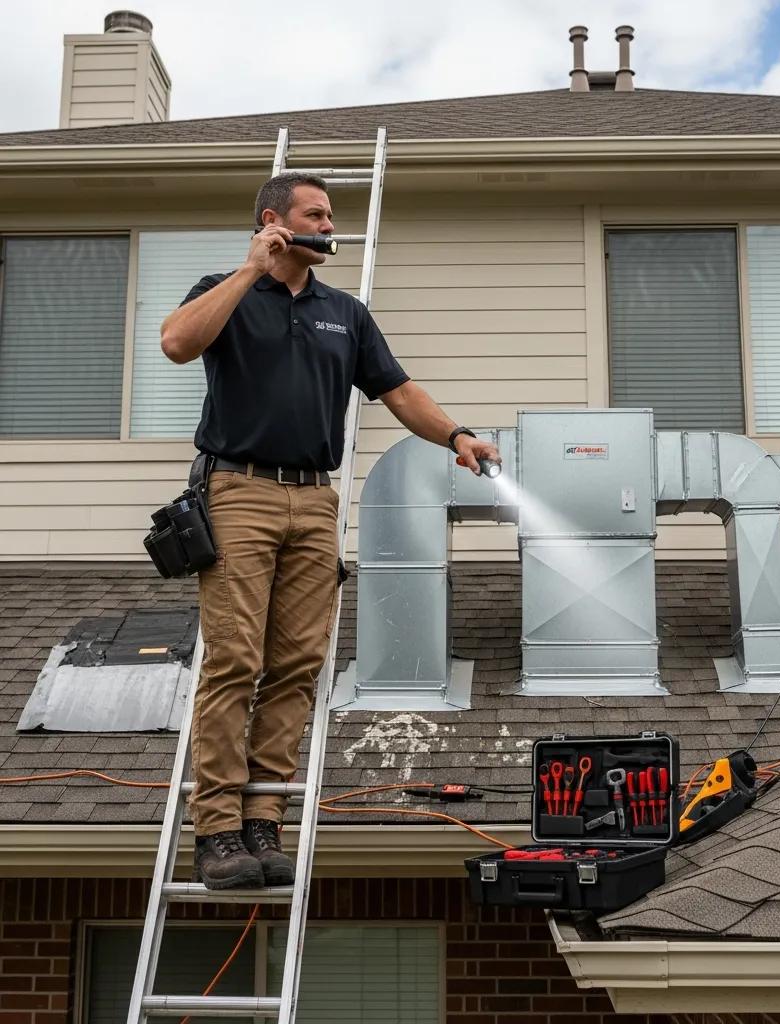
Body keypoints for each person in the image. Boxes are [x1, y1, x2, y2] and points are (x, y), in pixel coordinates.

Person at [160, 172, 500, 889]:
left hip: (315, 501)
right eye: (316, 213)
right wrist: (250, 268)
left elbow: (399, 392)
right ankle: (217, 831)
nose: (329, 223)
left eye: (332, 213)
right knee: (233, 662)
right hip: (238, 491)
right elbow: (177, 344)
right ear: (274, 221)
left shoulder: (344, 312)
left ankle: (263, 819)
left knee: (296, 666)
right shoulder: (223, 291)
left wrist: (457, 435)